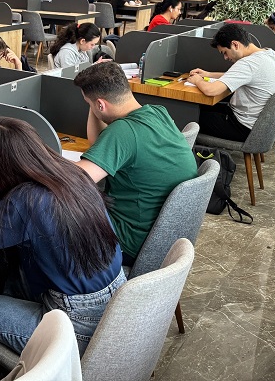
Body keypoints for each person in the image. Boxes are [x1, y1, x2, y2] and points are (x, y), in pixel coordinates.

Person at [0, 117, 123, 356]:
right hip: (115, 301)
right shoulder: (71, 174)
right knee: (7, 278)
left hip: (74, 323)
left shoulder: (28, 201)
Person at [73, 62, 198, 265]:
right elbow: (98, 144)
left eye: (90, 104)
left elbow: (75, 180)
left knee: (48, 218)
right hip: (164, 237)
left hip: (128, 242)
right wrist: (93, 101)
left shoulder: (123, 132)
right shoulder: (158, 112)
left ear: (101, 105)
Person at [190, 23, 275, 143]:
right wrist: (208, 74)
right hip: (257, 124)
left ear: (235, 44)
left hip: (242, 127)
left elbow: (211, 90)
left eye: (225, 52)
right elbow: (238, 76)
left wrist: (197, 80)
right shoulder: (270, 54)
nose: (225, 58)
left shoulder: (248, 63)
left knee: (188, 115)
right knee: (198, 108)